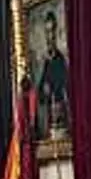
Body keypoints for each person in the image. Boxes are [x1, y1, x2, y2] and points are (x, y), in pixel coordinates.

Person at [36, 11, 69, 139]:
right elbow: (40, 92)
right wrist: (44, 91)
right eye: (47, 32)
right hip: (50, 120)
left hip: (61, 117)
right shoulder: (45, 61)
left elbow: (66, 85)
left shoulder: (60, 59)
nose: (50, 36)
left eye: (52, 31)